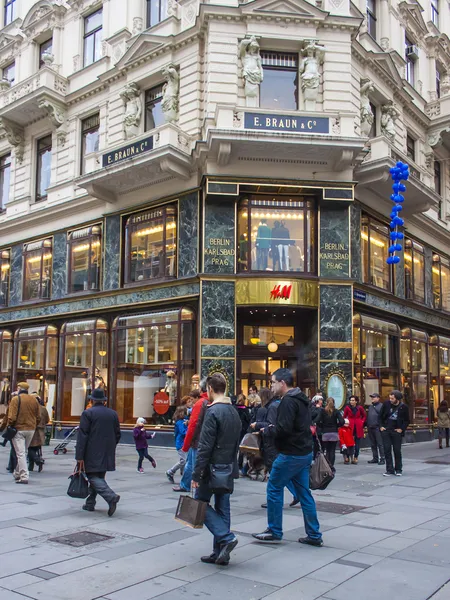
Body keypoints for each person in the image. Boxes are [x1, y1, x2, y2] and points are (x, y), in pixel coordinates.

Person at [252, 368, 322, 546]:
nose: (271, 386)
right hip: (304, 452)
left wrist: (267, 430)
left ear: (282, 383)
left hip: (290, 454)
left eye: (273, 382)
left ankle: (274, 530)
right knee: (304, 493)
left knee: (274, 487)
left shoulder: (288, 401)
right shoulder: (301, 398)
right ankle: (314, 534)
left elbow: (284, 429)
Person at [192, 373, 242, 566]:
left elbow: (204, 446)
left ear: (210, 390)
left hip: (211, 468)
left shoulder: (212, 412)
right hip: (227, 466)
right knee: (223, 507)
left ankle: (226, 537)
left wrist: (197, 473)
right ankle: (220, 552)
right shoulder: (233, 411)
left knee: (200, 503)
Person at [75, 388, 121, 515]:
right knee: (99, 476)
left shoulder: (88, 413)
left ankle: (111, 497)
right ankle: (90, 503)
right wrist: (111, 446)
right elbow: (118, 434)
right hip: (107, 450)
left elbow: (83, 435)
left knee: (91, 476)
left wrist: (79, 455)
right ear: (104, 401)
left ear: (93, 400)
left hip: (92, 450)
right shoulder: (113, 414)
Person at [173, 378, 210, 492]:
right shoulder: (208, 402)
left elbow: (193, 426)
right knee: (189, 463)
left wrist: (186, 445)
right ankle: (185, 484)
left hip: (197, 441)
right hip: (204, 440)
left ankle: (193, 488)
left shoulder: (200, 403)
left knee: (193, 465)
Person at [8, 382, 40, 484]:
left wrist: (10, 425)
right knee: (23, 452)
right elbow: (38, 416)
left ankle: (24, 476)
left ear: (19, 388)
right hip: (31, 429)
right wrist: (33, 424)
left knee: (20, 453)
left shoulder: (16, 399)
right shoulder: (34, 400)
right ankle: (17, 473)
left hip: (19, 429)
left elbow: (12, 417)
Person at [380, 390, 410, 477]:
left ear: (397, 399)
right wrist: (381, 426)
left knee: (397, 450)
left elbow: (407, 420)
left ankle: (398, 469)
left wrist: (401, 429)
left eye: (392, 398)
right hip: (386, 430)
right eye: (390, 398)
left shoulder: (404, 407)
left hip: (396, 431)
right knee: (387, 450)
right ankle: (389, 470)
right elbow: (380, 416)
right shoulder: (386, 404)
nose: (390, 400)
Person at [317, 397, 344, 470]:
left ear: (326, 402)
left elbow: (317, 421)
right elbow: (342, 421)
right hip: (334, 432)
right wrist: (337, 426)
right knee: (332, 450)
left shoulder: (323, 411)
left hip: (325, 433)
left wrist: (322, 427)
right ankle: (331, 466)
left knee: (327, 450)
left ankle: (327, 465)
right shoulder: (336, 411)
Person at [166, 405, 188, 483]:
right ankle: (170, 472)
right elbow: (183, 432)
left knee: (184, 460)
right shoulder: (180, 422)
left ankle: (183, 474)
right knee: (184, 460)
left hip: (183, 443)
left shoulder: (184, 420)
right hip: (181, 444)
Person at [28, 394, 49, 473]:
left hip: (32, 430)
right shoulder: (43, 408)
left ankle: (37, 461)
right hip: (40, 431)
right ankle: (31, 466)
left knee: (29, 448)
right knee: (36, 448)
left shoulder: (31, 408)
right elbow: (47, 419)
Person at [343, 396, 366, 464]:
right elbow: (344, 416)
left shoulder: (360, 408)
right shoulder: (347, 408)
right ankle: (347, 456)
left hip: (358, 426)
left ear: (356, 401)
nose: (351, 402)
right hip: (350, 426)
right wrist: (345, 422)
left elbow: (364, 415)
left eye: (353, 400)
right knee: (348, 442)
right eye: (350, 400)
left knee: (357, 443)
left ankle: (356, 457)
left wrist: (362, 422)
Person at [366, 393, 385, 465]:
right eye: (372, 397)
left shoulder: (381, 406)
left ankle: (382, 458)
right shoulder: (371, 407)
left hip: (377, 427)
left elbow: (384, 417)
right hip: (370, 427)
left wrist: (382, 426)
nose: (372, 398)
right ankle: (375, 458)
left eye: (374, 397)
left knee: (380, 444)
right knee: (373, 444)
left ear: (378, 398)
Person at [235, 394, 251, 476]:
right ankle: (240, 465)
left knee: (235, 448)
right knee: (241, 448)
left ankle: (234, 466)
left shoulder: (234, 408)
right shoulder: (245, 409)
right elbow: (248, 419)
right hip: (243, 430)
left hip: (235, 430)